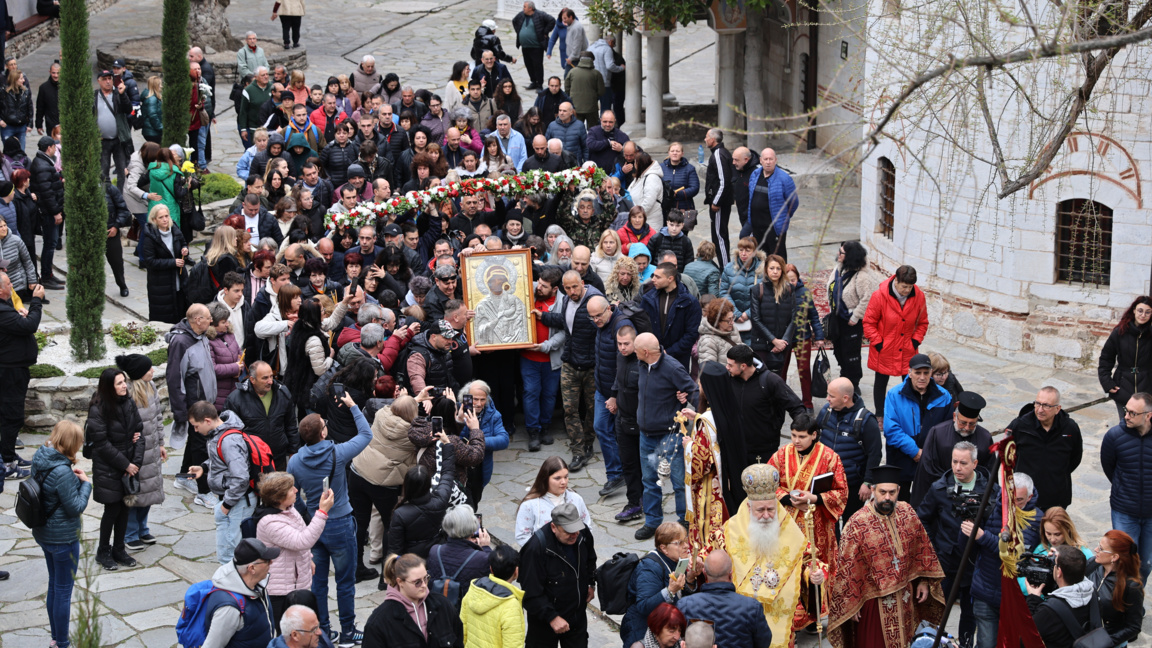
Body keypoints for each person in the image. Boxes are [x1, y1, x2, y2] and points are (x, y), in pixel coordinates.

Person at [827, 465, 946, 648]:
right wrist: (851, 604)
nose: (887, 497)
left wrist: (923, 580)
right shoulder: (857, 523)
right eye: (882, 492)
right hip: (873, 604)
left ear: (899, 490)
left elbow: (921, 548)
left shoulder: (907, 513)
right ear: (873, 490)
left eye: (892, 492)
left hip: (905, 597)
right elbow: (847, 567)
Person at [288, 398, 372, 645]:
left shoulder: (295, 461)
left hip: (315, 526)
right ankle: (347, 632)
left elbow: (292, 495)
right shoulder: (338, 452)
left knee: (319, 583)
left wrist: (308, 513)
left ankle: (322, 632)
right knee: (345, 582)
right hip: (340, 524)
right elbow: (366, 434)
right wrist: (353, 406)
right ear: (323, 433)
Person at [714, 463, 825, 646]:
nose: (766, 515)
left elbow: (809, 562)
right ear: (749, 508)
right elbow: (706, 558)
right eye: (760, 510)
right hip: (741, 615)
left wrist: (815, 574)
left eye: (771, 509)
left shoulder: (790, 529)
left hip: (780, 612)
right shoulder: (728, 531)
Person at [768, 413, 848, 619]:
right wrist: (786, 498)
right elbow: (769, 484)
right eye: (793, 435)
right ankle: (790, 612)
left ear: (814, 435)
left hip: (816, 525)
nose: (796, 441)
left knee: (815, 569)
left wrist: (814, 497)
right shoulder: (781, 455)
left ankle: (816, 613)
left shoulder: (830, 457)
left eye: (802, 436)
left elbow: (841, 492)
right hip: (785, 524)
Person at [915, 441, 992, 648]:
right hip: (946, 562)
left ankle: (965, 644)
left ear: (975, 463)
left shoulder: (989, 490)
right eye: (954, 461)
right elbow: (922, 519)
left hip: (976, 564)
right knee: (937, 610)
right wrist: (934, 546)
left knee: (970, 613)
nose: (957, 467)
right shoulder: (939, 488)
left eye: (963, 463)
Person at [31, 421, 91, 648]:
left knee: (54, 585)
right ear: (71, 444)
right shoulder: (62, 471)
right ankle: (63, 643)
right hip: (62, 539)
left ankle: (56, 638)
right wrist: (85, 484)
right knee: (63, 592)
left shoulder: (41, 457)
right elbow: (75, 507)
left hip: (44, 534)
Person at [633, 332, 698, 540]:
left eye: (636, 350)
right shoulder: (643, 365)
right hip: (646, 435)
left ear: (645, 352)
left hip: (670, 435)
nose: (633, 353)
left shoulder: (672, 367)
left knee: (679, 481)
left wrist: (702, 416)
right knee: (649, 480)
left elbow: (692, 391)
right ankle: (652, 522)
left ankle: (684, 522)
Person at [967, 472, 1043, 648]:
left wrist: (983, 537)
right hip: (985, 590)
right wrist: (969, 522)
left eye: (1019, 500)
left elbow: (1016, 554)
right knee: (986, 644)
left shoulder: (1035, 519)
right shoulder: (990, 507)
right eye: (1009, 498)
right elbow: (968, 547)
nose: (1012, 505)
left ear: (1030, 497)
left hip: (1014, 597)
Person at [536, 270, 602, 471]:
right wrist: (544, 316)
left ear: (582, 283)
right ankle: (577, 450)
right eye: (568, 288)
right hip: (570, 364)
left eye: (575, 286)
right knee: (570, 409)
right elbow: (564, 321)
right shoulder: (566, 301)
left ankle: (588, 444)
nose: (572, 291)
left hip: (591, 366)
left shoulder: (595, 301)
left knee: (591, 409)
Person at [251, 472, 333, 631]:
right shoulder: (270, 522)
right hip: (280, 590)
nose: (296, 490)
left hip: (293, 583)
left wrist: (308, 558)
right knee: (288, 634)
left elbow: (299, 533)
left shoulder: (288, 508)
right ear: (279, 497)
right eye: (290, 489)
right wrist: (322, 513)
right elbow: (302, 540)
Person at [86, 367, 144, 571]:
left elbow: (139, 431)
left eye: (124, 382)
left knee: (125, 508)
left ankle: (119, 549)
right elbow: (101, 444)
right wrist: (126, 464)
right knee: (112, 509)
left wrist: (134, 464)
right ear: (109, 387)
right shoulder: (98, 408)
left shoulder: (128, 401)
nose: (124, 386)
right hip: (109, 467)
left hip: (129, 465)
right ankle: (103, 551)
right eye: (119, 383)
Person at [520, 501, 597, 648]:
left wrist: (591, 583)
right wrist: (552, 617)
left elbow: (590, 560)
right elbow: (530, 592)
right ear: (554, 527)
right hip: (544, 623)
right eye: (568, 531)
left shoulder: (583, 533)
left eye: (577, 529)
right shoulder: (535, 549)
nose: (575, 534)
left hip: (576, 617)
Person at [863, 264, 929, 419]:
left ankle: (910, 413)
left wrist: (915, 341)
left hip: (907, 348)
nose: (907, 290)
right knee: (880, 382)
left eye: (910, 286)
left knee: (910, 383)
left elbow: (923, 323)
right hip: (884, 348)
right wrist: (878, 343)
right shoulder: (879, 296)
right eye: (904, 286)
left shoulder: (919, 297)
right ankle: (879, 415)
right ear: (896, 281)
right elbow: (868, 323)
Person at [882, 354, 953, 498]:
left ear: (931, 373)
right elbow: (891, 429)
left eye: (926, 373)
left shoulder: (944, 396)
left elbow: (947, 430)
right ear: (909, 373)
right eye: (917, 373)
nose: (922, 377)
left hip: (931, 460)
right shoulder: (894, 394)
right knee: (900, 503)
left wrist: (927, 452)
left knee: (926, 502)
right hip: (901, 457)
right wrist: (915, 451)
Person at [116, 354, 165, 552]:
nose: (152, 371)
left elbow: (158, 417)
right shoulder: (126, 394)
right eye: (148, 369)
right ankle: (130, 533)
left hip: (151, 449)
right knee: (135, 492)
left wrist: (161, 443)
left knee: (150, 490)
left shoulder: (151, 387)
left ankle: (142, 528)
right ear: (138, 374)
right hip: (134, 453)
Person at [815, 377, 882, 525]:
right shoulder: (826, 412)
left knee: (850, 526)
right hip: (826, 482)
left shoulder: (865, 420)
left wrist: (868, 482)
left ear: (845, 398)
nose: (827, 399)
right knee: (828, 525)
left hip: (852, 485)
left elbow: (875, 453)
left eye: (831, 396)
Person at [1101, 391, 1152, 581]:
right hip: (1124, 510)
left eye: (1132, 413)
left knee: (1145, 564)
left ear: (1148, 416)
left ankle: (1135, 602)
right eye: (1126, 411)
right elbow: (1109, 467)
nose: (1126, 416)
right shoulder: (1114, 436)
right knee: (1125, 563)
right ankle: (1121, 605)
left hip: (1151, 515)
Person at [724, 344, 806, 463]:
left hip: (764, 451)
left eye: (730, 365)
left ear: (743, 366)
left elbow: (796, 407)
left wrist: (801, 434)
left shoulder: (771, 381)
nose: (727, 367)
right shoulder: (729, 380)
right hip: (736, 449)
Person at [362, 553, 464, 648]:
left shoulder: (443, 605)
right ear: (400, 582)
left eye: (426, 578)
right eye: (417, 582)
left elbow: (458, 641)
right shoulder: (379, 621)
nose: (424, 585)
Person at [911, 391, 992, 507]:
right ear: (955, 416)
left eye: (972, 424)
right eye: (963, 422)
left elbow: (989, 473)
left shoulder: (985, 438)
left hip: (973, 499)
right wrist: (950, 485)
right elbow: (927, 469)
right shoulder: (937, 433)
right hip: (941, 498)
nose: (967, 428)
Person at [675, 549, 771, 648]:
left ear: (704, 573)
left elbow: (676, 640)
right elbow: (763, 642)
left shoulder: (685, 604)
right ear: (731, 573)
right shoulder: (751, 607)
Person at [620, 522, 696, 646]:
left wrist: (690, 579)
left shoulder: (678, 561)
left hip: (663, 630)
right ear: (664, 548)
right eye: (679, 543)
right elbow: (644, 606)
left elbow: (681, 595)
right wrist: (670, 591)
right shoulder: (649, 568)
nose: (686, 546)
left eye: (686, 540)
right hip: (641, 631)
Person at [1007, 385, 1082, 511]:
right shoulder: (1020, 426)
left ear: (1057, 409)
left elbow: (1075, 457)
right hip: (1025, 500)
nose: (1040, 410)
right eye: (1037, 404)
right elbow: (1007, 457)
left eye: (1046, 406)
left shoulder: (1069, 428)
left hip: (1056, 499)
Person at [388, 427, 458, 558]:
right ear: (428, 484)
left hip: (412, 560)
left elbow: (394, 550)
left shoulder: (400, 514)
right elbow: (448, 473)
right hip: (436, 554)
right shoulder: (440, 499)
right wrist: (447, 444)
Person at [200, 538, 278, 648]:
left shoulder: (258, 585)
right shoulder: (228, 608)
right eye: (266, 561)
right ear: (252, 568)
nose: (271, 562)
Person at [224, 360, 299, 470]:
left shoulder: (282, 393)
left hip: (278, 459)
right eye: (265, 378)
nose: (270, 381)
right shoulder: (235, 399)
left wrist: (293, 452)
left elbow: (291, 426)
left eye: (271, 376)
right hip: (251, 461)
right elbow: (229, 434)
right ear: (252, 380)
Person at [827, 241, 879, 390]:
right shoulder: (839, 268)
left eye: (841, 252)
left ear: (849, 256)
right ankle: (845, 376)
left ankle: (853, 384)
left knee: (851, 354)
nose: (838, 254)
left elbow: (868, 298)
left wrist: (855, 316)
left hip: (851, 322)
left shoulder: (862, 276)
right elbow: (832, 288)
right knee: (838, 349)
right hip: (837, 317)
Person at [1025, 545, 1096, 648]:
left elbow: (1027, 633)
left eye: (1054, 564)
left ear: (1059, 572)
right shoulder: (1092, 593)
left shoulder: (1049, 612)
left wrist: (1032, 599)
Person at [514, 456, 592, 545]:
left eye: (566, 477)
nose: (563, 482)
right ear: (545, 479)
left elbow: (587, 528)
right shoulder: (529, 505)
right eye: (557, 478)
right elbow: (522, 537)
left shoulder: (576, 499)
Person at [1099, 296, 1152, 422]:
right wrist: (1107, 382)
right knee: (1126, 425)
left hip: (1147, 388)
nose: (1143, 315)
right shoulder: (1120, 332)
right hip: (1123, 387)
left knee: (1145, 427)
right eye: (1140, 310)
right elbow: (1106, 359)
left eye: (1148, 312)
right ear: (1134, 310)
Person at [461, 544, 526, 647]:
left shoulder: (473, 591)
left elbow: (463, 632)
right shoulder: (511, 605)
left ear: (491, 569)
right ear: (516, 572)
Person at [1089, 530, 1145, 646]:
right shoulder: (1093, 565)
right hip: (1087, 637)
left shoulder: (1131, 586)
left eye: (1101, 548)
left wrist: (1106, 642)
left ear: (1114, 557)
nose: (1095, 550)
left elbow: (1133, 627)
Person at [641, 263, 701, 369]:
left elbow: (691, 334)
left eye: (657, 277)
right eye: (653, 276)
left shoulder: (690, 302)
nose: (653, 280)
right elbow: (642, 326)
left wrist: (668, 352)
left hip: (678, 361)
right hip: (651, 357)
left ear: (670, 278)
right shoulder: (648, 299)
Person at [428, 504, 492, 604]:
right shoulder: (481, 557)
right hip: (466, 610)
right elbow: (495, 575)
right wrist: (486, 548)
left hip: (439, 607)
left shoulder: (435, 551)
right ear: (472, 530)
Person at [139, 204, 189, 324]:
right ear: (154, 220)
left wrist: (185, 250)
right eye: (161, 217)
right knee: (164, 316)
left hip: (179, 278)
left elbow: (183, 242)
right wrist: (172, 262)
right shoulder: (150, 236)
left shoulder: (175, 229)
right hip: (161, 284)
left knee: (181, 310)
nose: (165, 219)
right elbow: (149, 261)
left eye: (166, 216)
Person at [749, 254, 796, 376]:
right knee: (762, 378)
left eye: (778, 268)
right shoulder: (757, 290)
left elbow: (793, 317)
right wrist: (773, 340)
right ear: (766, 270)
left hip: (783, 343)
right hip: (762, 344)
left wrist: (784, 341)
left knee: (780, 378)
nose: (775, 272)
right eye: (772, 268)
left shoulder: (789, 289)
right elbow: (756, 319)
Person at [30, 135, 63, 288]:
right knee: (50, 243)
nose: (55, 151)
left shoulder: (42, 162)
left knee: (51, 243)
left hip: (49, 209)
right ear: (49, 148)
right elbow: (47, 192)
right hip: (48, 212)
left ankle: (48, 273)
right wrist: (56, 212)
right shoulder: (42, 165)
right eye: (54, 148)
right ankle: (46, 276)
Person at [703, 129, 734, 265]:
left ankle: (725, 268)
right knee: (718, 235)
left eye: (706, 137)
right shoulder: (721, 152)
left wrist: (716, 202)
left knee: (720, 236)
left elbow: (724, 181)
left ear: (712, 139)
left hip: (719, 204)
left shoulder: (718, 154)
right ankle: (724, 266)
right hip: (719, 202)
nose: (705, 139)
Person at [697, 298, 741, 366]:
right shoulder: (708, 341)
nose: (732, 322)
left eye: (733, 318)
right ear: (717, 321)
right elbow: (709, 370)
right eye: (728, 320)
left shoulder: (732, 329)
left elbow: (739, 346)